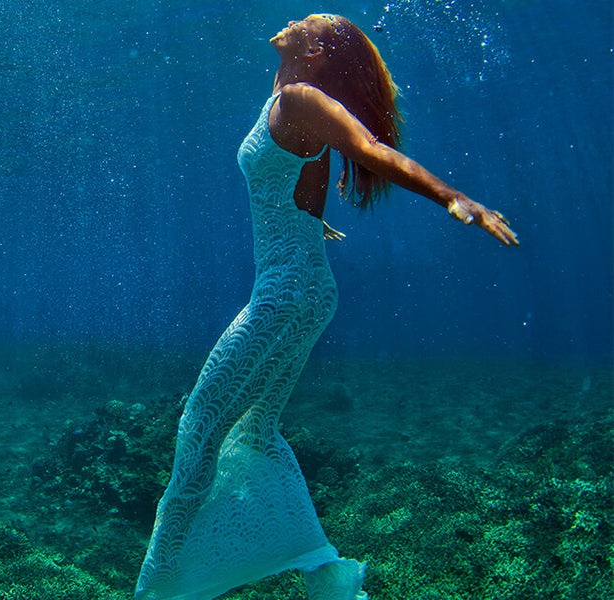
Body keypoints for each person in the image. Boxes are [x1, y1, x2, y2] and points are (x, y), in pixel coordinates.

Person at [134, 14, 519, 600]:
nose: (293, 19)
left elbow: (366, 147)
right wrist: (313, 227)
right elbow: (300, 175)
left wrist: (453, 197)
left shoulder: (301, 97)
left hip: (285, 294)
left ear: (314, 50)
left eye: (307, 21)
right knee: (256, 430)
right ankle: (321, 570)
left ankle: (158, 589)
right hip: (304, 289)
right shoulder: (290, 100)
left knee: (200, 427)